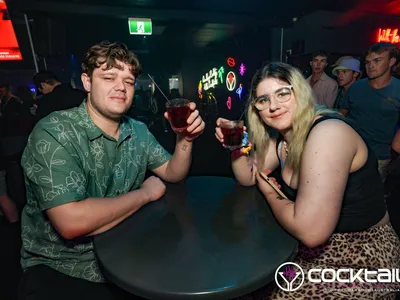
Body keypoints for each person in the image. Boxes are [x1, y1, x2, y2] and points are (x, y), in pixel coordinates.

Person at [18, 40, 205, 300]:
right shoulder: (54, 132)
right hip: (62, 267)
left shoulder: (137, 130)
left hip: (125, 250)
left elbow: (173, 173)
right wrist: (145, 194)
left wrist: (184, 140)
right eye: (109, 77)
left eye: (128, 81)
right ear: (86, 82)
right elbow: (71, 222)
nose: (121, 87)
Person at [215, 62, 400, 299]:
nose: (273, 106)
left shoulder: (328, 133)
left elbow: (311, 231)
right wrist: (236, 147)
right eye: (263, 100)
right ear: (256, 108)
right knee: (241, 269)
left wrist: (271, 191)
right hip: (305, 247)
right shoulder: (281, 138)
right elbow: (249, 176)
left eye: (283, 93)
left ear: (300, 92)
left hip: (361, 253)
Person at [340, 42, 400, 182]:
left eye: (377, 61)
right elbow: (341, 115)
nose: (370, 65)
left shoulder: (398, 90)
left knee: (373, 201)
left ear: (391, 61)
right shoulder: (356, 88)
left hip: (380, 158)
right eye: (368, 62)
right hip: (350, 153)